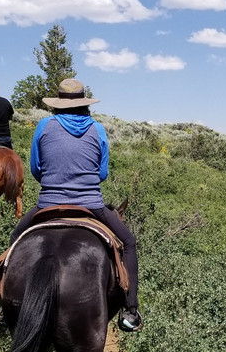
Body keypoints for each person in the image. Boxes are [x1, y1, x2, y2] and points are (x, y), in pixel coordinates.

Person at [8, 78, 142, 332]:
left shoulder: (44, 125)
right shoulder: (98, 129)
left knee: (15, 240)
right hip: (92, 205)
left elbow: (36, 168)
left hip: (48, 202)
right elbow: (102, 173)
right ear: (84, 103)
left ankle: (3, 302)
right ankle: (131, 310)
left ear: (58, 103)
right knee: (128, 242)